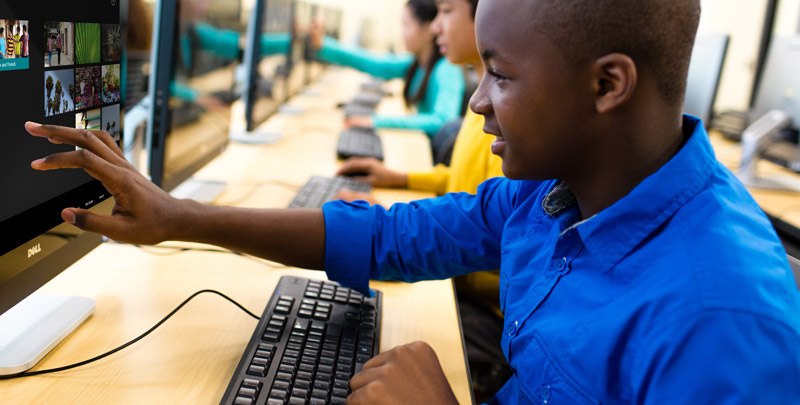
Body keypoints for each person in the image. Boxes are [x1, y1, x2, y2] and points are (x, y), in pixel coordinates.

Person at [24, 0, 800, 402]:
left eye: (501, 73)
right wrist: (177, 216)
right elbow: (400, 236)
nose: (476, 103)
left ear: (607, 84)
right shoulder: (560, 189)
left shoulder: (719, 323)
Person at [334, 0, 508, 398]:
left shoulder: (506, 117)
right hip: (464, 276)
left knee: (373, 329)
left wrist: (412, 236)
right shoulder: (485, 100)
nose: (435, 27)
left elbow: (487, 232)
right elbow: (470, 194)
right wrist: (402, 181)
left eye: (447, 11)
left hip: (484, 309)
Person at [310, 0, 464, 140]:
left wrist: (375, 121)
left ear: (428, 29)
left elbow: (443, 121)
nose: (402, 34)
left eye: (406, 26)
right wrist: (323, 45)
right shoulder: (416, 63)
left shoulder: (447, 68)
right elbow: (371, 63)